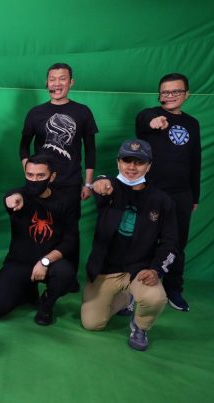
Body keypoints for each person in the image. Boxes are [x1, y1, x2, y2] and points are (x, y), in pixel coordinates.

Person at [81, 139, 177, 351]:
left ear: (149, 166)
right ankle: (126, 299)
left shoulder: (162, 201)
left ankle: (140, 326)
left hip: (139, 270)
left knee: (155, 298)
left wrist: (156, 269)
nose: (132, 167)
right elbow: (102, 184)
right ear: (118, 162)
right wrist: (100, 181)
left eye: (139, 162)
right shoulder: (109, 189)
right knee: (92, 323)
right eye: (127, 161)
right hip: (105, 269)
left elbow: (170, 242)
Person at [19, 62, 98, 273]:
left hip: (70, 183)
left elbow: (90, 149)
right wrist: (30, 173)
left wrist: (88, 183)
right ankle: (32, 269)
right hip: (41, 184)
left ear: (71, 82)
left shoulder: (82, 112)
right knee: (36, 225)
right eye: (52, 79)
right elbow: (23, 146)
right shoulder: (35, 113)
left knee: (70, 230)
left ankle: (67, 275)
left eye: (62, 79)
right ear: (46, 83)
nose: (57, 83)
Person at [0, 154, 77, 325]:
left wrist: (45, 261)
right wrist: (11, 199)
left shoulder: (66, 202)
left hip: (49, 263)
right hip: (19, 263)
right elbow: (11, 197)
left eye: (40, 176)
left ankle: (46, 304)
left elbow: (70, 240)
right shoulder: (19, 197)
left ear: (52, 177)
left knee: (65, 273)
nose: (34, 180)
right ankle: (26, 291)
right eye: (30, 175)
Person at [135, 73, 200, 312]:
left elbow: (195, 160)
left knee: (177, 243)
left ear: (186, 94)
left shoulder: (192, 123)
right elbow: (143, 118)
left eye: (176, 91)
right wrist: (153, 121)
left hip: (182, 194)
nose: (170, 96)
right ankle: (135, 288)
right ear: (159, 95)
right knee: (143, 239)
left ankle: (173, 288)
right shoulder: (151, 115)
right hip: (151, 191)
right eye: (165, 92)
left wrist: (194, 195)